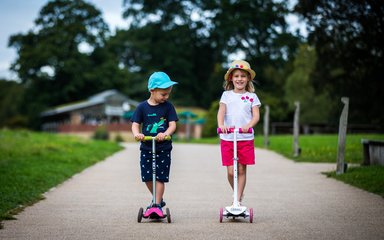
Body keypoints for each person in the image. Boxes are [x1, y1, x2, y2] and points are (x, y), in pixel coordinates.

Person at [131, 71, 178, 211]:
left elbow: (173, 125)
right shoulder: (141, 107)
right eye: (163, 94)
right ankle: (157, 198)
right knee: (147, 177)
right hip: (146, 147)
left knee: (159, 177)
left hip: (163, 147)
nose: (166, 97)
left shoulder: (168, 107)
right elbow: (135, 124)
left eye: (168, 93)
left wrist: (165, 133)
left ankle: (156, 205)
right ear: (152, 90)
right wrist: (137, 134)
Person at [217, 60, 261, 205]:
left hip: (245, 137)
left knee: (241, 169)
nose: (240, 79)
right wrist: (221, 124)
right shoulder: (226, 95)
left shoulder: (252, 97)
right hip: (228, 137)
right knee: (231, 172)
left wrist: (248, 125)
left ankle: (237, 200)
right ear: (231, 78)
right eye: (236, 76)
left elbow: (256, 116)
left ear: (248, 78)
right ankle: (237, 193)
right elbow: (221, 112)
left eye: (243, 76)